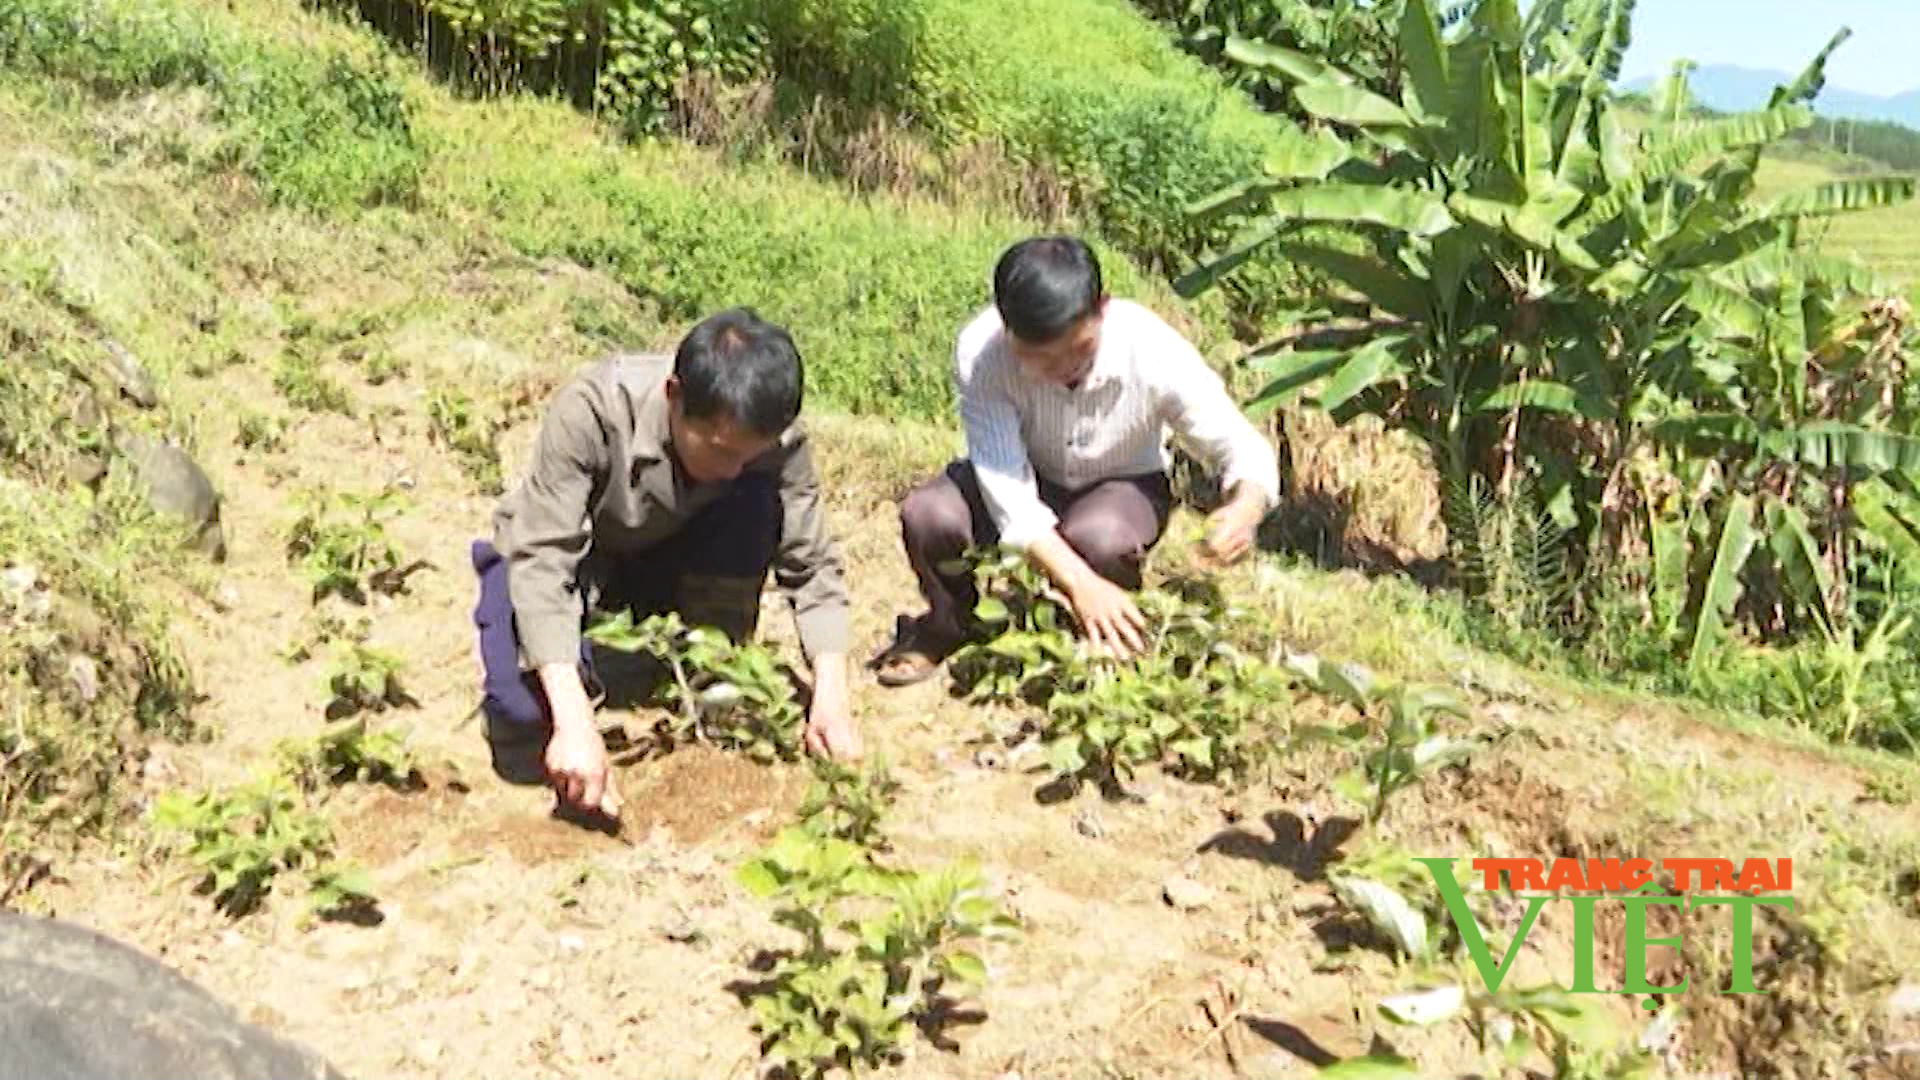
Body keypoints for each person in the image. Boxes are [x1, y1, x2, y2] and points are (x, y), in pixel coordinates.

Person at [471, 308, 860, 818]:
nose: (734, 467)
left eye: (750, 453)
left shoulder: (773, 438)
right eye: (721, 451)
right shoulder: (592, 411)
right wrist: (573, 720)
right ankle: (588, 659)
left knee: (753, 499)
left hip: (667, 554)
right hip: (577, 558)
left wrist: (831, 693)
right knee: (520, 710)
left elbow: (811, 564)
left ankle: (702, 657)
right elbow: (545, 559)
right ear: (673, 395)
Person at [876, 235, 1280, 685]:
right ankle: (949, 625)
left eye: (1079, 349)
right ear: (1005, 330)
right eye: (1040, 359)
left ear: (1102, 308)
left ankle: (1106, 639)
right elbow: (1008, 494)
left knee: (1102, 537)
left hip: (1121, 485)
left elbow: (1239, 444)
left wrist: (1245, 507)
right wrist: (1081, 583)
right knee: (929, 514)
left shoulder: (1150, 347)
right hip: (1023, 474)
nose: (1064, 367)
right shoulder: (982, 353)